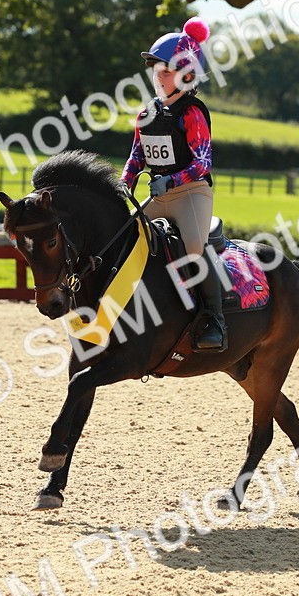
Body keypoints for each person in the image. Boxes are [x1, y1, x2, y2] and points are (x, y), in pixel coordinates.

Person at [120, 17, 226, 352]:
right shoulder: (145, 114)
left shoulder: (191, 113)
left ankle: (214, 318)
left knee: (194, 246)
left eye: (166, 71)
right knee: (127, 241)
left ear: (187, 75)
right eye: (156, 71)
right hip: (158, 193)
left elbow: (203, 163)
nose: (158, 77)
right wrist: (125, 181)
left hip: (191, 193)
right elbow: (137, 156)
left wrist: (171, 180)